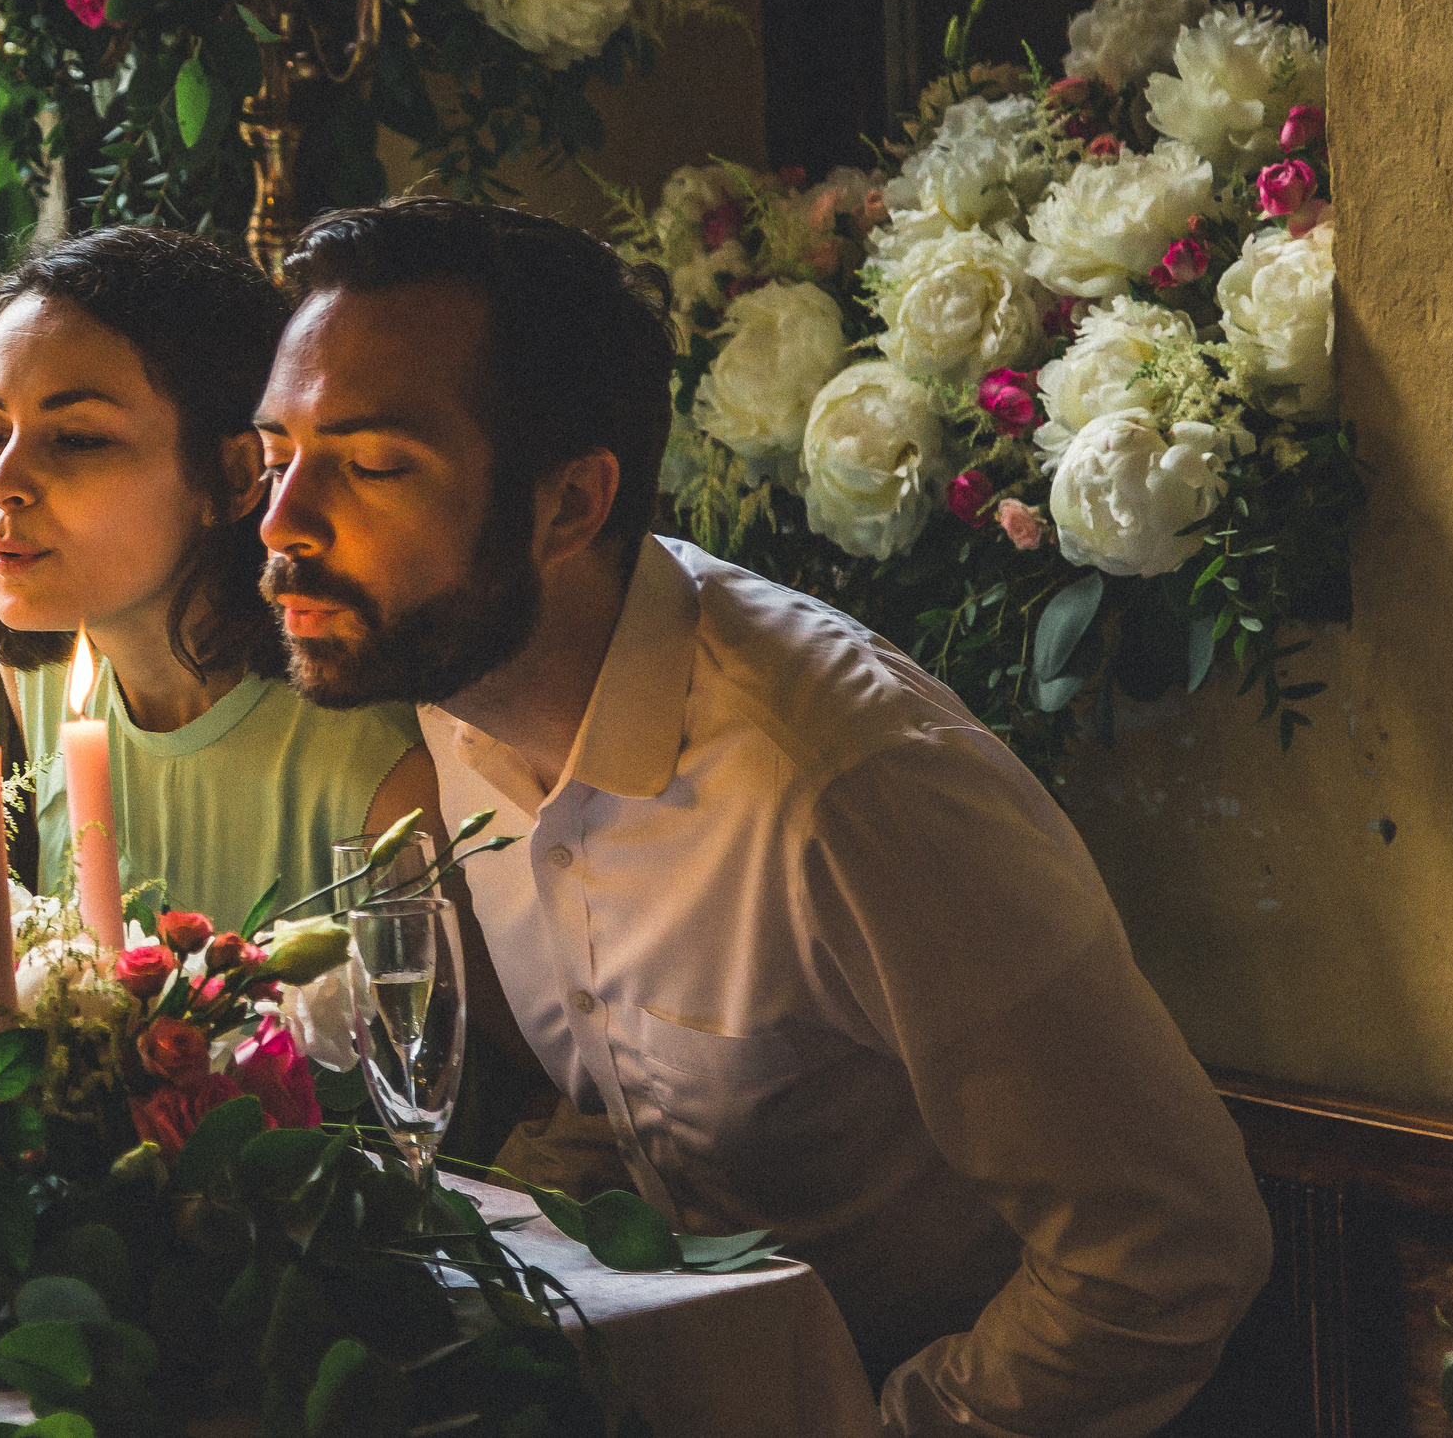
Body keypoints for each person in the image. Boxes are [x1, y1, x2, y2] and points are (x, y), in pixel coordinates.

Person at [252, 196, 1272, 1436]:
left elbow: (1170, 1249)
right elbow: (633, 1120)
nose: (281, 524)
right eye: (274, 455)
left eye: (372, 467)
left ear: (569, 506)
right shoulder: (467, 689)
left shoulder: (842, 785)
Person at [0, 225, 438, 927]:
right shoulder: (35, 686)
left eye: (78, 439)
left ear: (235, 476)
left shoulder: (376, 777)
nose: (3, 484)